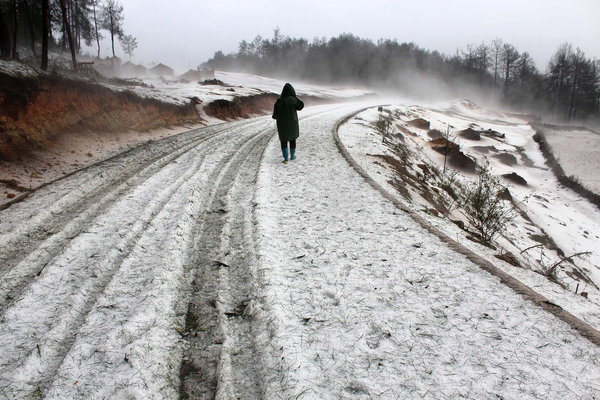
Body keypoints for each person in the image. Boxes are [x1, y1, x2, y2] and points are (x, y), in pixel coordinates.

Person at [272, 83, 304, 164]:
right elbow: (301, 106)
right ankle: (292, 156)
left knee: (284, 141)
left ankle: (286, 159)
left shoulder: (279, 101)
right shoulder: (293, 100)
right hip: (293, 123)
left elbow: (275, 115)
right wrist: (295, 98)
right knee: (293, 139)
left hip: (282, 124)